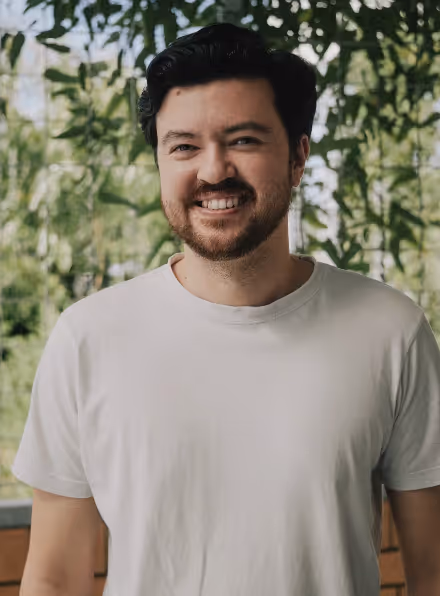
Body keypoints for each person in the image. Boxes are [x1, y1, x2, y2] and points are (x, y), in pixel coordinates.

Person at [12, 22, 440, 596]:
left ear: (298, 156)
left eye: (243, 139)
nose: (213, 170)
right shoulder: (87, 338)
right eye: (184, 146)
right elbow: (54, 580)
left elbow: (433, 573)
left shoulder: (391, 331)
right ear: (161, 161)